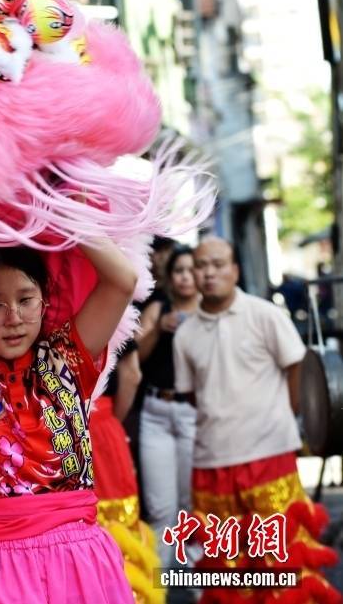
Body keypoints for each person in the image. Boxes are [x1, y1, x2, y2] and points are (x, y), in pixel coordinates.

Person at [0, 239, 137, 603]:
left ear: (44, 302)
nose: (14, 318)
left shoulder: (65, 358)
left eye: (26, 300)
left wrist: (66, 214)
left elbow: (122, 280)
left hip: (79, 563)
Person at [173, 238, 339, 601]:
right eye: (201, 265)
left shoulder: (266, 315)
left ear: (235, 270)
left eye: (218, 264)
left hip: (269, 457)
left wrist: (283, 416)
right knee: (226, 570)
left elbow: (297, 367)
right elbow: (193, 394)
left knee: (284, 565)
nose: (209, 272)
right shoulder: (184, 335)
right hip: (211, 463)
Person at [136, 243, 199, 563]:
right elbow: (134, 358)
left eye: (191, 270)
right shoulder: (158, 308)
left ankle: (198, 583)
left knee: (193, 506)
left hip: (195, 413)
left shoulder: (210, 311)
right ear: (170, 276)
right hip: (155, 412)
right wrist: (159, 329)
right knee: (161, 508)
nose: (185, 277)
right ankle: (160, 583)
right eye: (179, 271)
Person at [90, 340, 163, 604]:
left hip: (50, 435)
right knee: (120, 526)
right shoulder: (110, 316)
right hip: (101, 428)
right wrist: (110, 420)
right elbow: (132, 374)